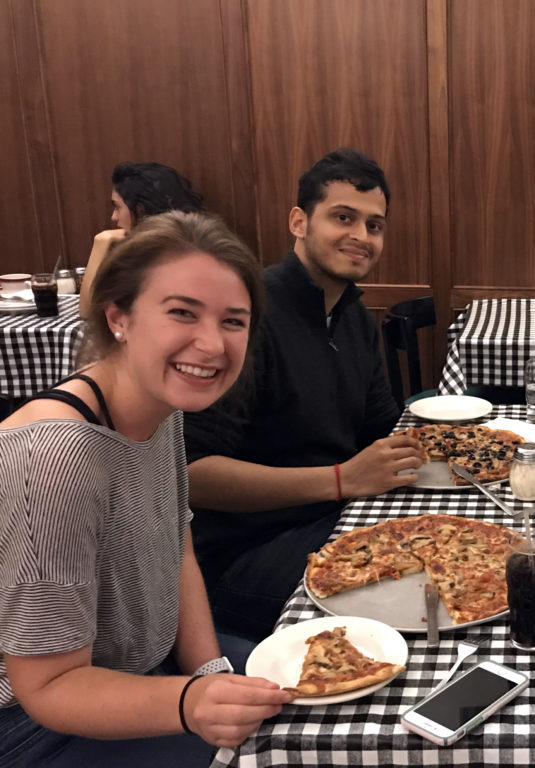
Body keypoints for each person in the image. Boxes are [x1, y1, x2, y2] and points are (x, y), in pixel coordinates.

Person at [0, 211, 292, 767]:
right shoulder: (51, 458)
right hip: (32, 724)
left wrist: (207, 671)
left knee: (313, 709)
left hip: (145, 672)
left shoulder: (164, 407)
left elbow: (175, 546)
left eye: (234, 321)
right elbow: (48, 685)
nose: (211, 344)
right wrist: (190, 701)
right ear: (120, 317)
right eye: (182, 312)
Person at [183, 148, 422, 641]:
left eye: (374, 225)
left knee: (454, 575)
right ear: (298, 221)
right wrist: (341, 480)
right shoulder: (246, 316)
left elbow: (383, 432)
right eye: (343, 217)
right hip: (243, 558)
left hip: (338, 522)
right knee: (418, 602)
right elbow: (192, 474)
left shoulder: (354, 317)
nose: (361, 236)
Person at [79, 161, 205, 315]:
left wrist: (101, 242)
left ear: (141, 209)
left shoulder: (171, 253)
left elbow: (87, 311)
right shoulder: (172, 243)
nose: (114, 217)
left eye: (117, 207)